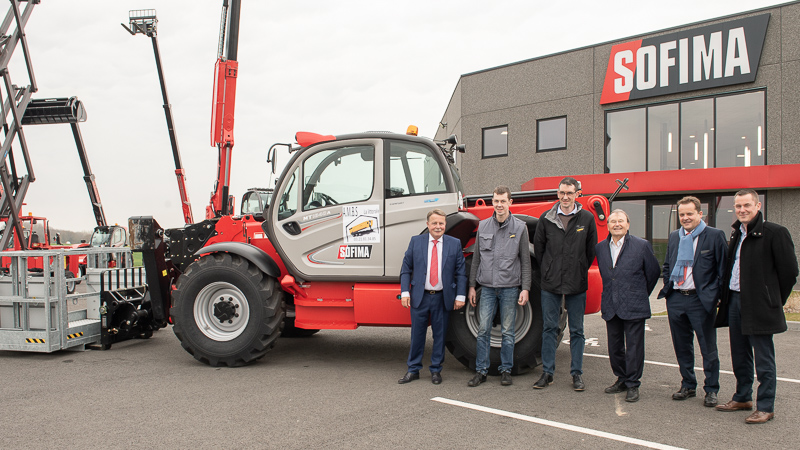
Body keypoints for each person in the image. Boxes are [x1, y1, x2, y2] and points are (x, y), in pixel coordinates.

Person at [714, 189, 798, 423]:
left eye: (747, 206)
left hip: (759, 304)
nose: (742, 210)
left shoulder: (775, 232)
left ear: (757, 206)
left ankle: (766, 406)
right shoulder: (736, 233)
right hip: (735, 300)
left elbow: (790, 272)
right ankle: (742, 397)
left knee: (763, 358)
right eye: (738, 206)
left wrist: (772, 299)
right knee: (739, 354)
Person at [657, 196, 726, 407]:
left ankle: (711, 389)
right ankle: (688, 384)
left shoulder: (714, 236)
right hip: (677, 298)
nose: (685, 218)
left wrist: (716, 297)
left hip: (700, 300)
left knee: (708, 348)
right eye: (682, 214)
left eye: (689, 214)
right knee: (682, 346)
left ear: (700, 214)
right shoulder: (675, 236)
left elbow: (722, 270)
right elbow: (668, 265)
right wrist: (669, 287)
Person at [533, 176, 597, 391]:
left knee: (577, 330)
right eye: (562, 192)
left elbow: (590, 252)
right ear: (558, 193)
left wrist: (578, 268)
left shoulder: (587, 220)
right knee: (549, 328)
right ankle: (547, 373)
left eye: (570, 193)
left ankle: (577, 374)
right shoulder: (546, 219)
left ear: (577, 194)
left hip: (576, 283)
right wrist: (549, 270)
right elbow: (540, 251)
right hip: (550, 284)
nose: (565, 197)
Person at [466, 185, 531, 387]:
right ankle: (481, 371)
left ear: (510, 203)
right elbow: (476, 259)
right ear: (492, 202)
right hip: (486, 288)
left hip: (510, 288)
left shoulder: (520, 228)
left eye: (503, 201)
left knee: (508, 331)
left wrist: (526, 288)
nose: (499, 205)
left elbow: (526, 261)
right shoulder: (483, 226)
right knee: (483, 330)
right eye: (496, 201)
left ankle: (505, 370)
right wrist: (471, 286)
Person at [595, 209, 660, 402]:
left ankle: (633, 384)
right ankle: (621, 378)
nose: (617, 224)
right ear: (607, 225)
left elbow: (653, 272)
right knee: (614, 347)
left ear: (628, 224)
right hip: (610, 305)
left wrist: (639, 293)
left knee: (634, 348)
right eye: (613, 221)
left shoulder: (641, 246)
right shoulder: (600, 248)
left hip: (634, 305)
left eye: (621, 221)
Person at [398, 209, 467, 385]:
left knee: (440, 336)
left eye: (441, 223)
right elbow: (406, 269)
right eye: (434, 223)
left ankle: (436, 370)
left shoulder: (454, 244)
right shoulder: (416, 242)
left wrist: (460, 296)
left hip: (442, 298)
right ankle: (413, 370)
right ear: (428, 224)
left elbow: (461, 273)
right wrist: (405, 292)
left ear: (445, 225)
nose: (438, 226)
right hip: (419, 297)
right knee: (417, 335)